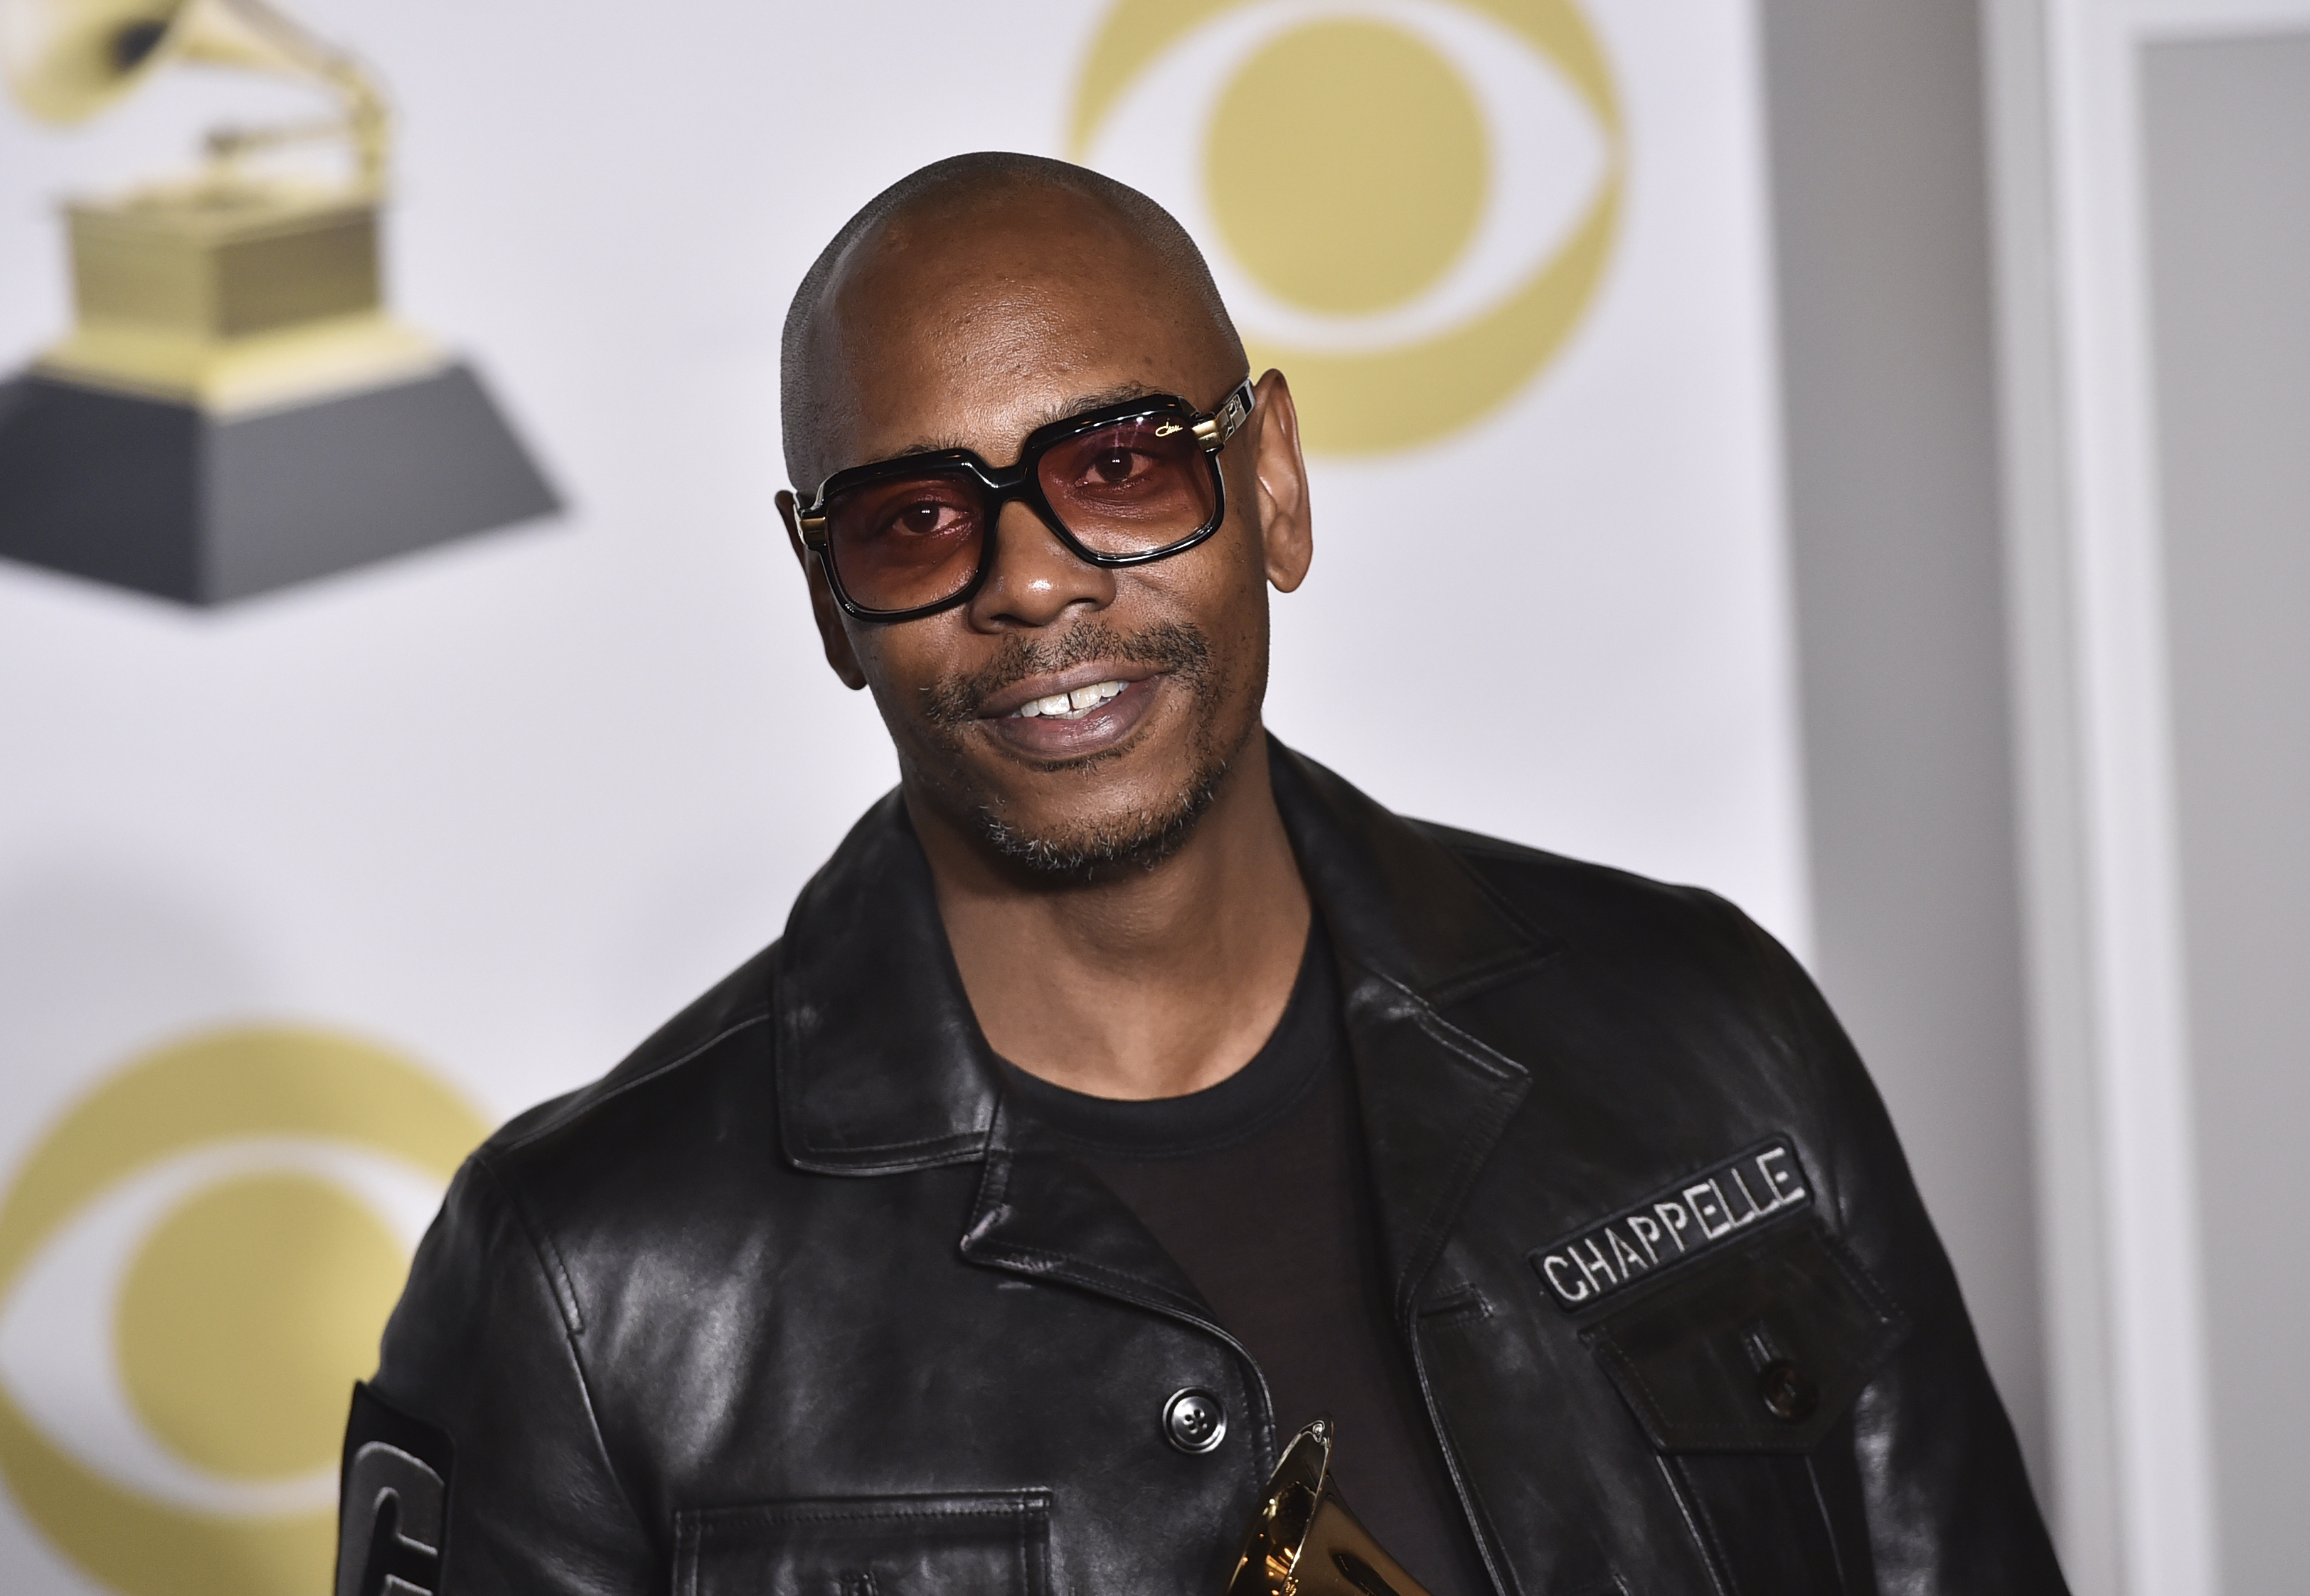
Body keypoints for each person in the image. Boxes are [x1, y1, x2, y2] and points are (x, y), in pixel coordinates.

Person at [336, 153, 2065, 1596]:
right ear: (827, 604)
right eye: (916, 520)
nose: (1030, 583)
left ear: (1276, 487)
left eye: (1119, 463)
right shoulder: (583, 1275)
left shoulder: (1705, 1032)